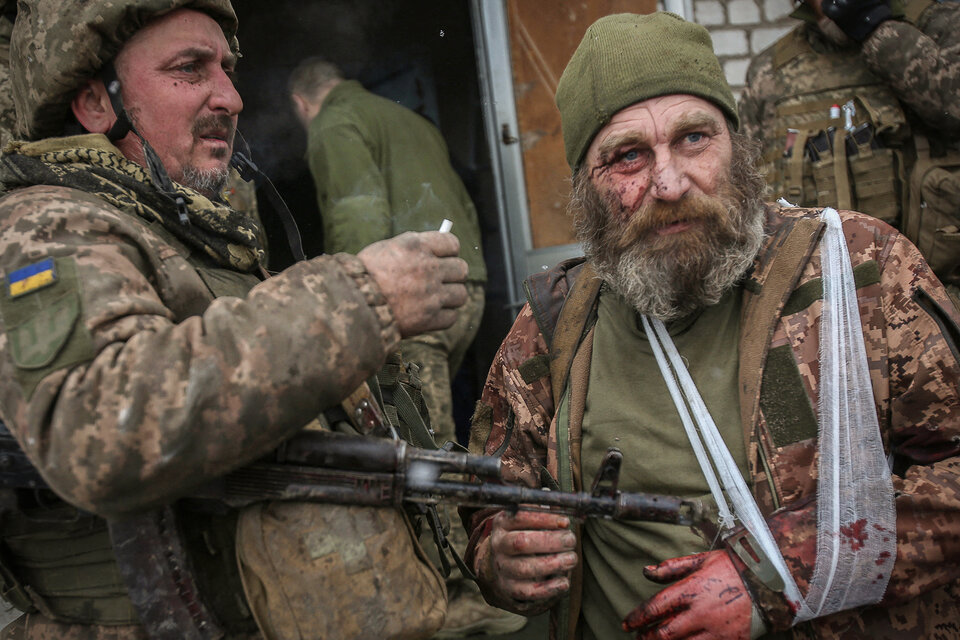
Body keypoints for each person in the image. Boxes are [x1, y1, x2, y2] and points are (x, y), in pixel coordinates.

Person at [462, 11, 960, 640]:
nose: (669, 183)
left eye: (693, 139)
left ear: (736, 143)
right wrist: (500, 556)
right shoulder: (553, 328)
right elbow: (489, 504)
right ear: (586, 188)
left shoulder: (860, 271)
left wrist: (781, 571)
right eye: (628, 157)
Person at [0, 1, 469, 638]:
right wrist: (362, 298)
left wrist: (478, 562)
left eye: (227, 68)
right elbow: (103, 428)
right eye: (191, 69)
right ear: (94, 104)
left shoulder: (194, 232)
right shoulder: (46, 224)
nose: (231, 96)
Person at [289, 60, 516, 639]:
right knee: (436, 433)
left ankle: (459, 595)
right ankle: (472, 574)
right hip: (462, 288)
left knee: (416, 448)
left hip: (410, 302)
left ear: (301, 103)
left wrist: (355, 304)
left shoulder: (334, 125)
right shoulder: (405, 119)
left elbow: (355, 218)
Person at [738, 0, 960, 303]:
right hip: (830, 307)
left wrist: (876, 29)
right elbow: (752, 198)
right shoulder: (771, 70)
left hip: (939, 299)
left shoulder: (937, 22)